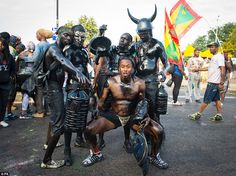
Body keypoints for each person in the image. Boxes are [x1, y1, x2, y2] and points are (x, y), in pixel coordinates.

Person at [82, 57, 166, 172]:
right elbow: (102, 99)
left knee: (158, 131)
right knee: (88, 129)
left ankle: (154, 156)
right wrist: (96, 107)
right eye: (123, 67)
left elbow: (143, 102)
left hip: (132, 117)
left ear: (132, 69)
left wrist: (145, 115)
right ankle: (96, 154)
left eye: (128, 67)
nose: (125, 69)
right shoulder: (111, 82)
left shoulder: (140, 83)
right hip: (114, 116)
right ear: (119, 68)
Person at [40, 26, 88, 169]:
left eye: (70, 36)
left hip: (57, 89)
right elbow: (62, 61)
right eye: (66, 35)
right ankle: (47, 160)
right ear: (58, 35)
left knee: (57, 121)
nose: (69, 38)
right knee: (59, 126)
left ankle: (47, 147)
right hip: (53, 89)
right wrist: (78, 73)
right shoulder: (54, 49)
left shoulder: (62, 49)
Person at [127, 4, 168, 168]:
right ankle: (138, 137)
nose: (142, 35)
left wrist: (165, 71)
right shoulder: (135, 45)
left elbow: (167, 62)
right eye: (140, 33)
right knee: (135, 110)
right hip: (136, 81)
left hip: (151, 81)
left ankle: (157, 139)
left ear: (151, 31)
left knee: (153, 111)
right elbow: (124, 58)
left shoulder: (157, 44)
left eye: (145, 32)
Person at [96, 33, 136, 152]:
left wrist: (113, 73)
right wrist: (101, 33)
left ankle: (127, 140)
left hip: (121, 85)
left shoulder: (131, 55)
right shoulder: (113, 49)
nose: (122, 40)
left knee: (125, 111)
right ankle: (101, 139)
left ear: (129, 42)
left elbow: (131, 72)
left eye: (125, 39)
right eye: (121, 38)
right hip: (107, 83)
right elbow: (100, 51)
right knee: (102, 109)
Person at [63, 24, 91, 166]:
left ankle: (79, 139)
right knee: (70, 118)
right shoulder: (68, 50)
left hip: (85, 87)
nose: (80, 39)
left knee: (83, 115)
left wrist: (89, 82)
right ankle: (67, 149)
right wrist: (77, 75)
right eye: (78, 36)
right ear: (73, 36)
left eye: (83, 36)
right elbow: (66, 66)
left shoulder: (85, 52)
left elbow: (86, 68)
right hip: (72, 87)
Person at [188, 42, 225, 121]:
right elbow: (209, 68)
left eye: (212, 47)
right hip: (214, 82)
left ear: (217, 48)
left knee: (206, 100)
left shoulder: (219, 56)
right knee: (217, 99)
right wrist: (198, 69)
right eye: (210, 47)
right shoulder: (214, 57)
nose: (210, 49)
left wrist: (222, 82)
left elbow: (223, 69)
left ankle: (198, 114)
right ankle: (219, 115)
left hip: (214, 83)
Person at [27, 28, 54, 118]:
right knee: (47, 92)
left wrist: (24, 58)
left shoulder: (39, 46)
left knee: (39, 92)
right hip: (48, 72)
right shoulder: (50, 45)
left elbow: (35, 59)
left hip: (39, 72)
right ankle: (48, 110)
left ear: (41, 35)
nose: (36, 36)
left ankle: (40, 111)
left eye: (37, 34)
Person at [0, 36, 16, 127]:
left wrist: (11, 77)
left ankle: (1, 120)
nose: (0, 45)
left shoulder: (9, 57)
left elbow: (13, 69)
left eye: (2, 44)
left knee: (3, 103)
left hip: (5, 84)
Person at [18, 41, 36, 119]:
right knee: (27, 93)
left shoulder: (22, 53)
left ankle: (26, 110)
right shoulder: (32, 54)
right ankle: (23, 113)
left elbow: (18, 61)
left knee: (24, 93)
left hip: (20, 75)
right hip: (29, 75)